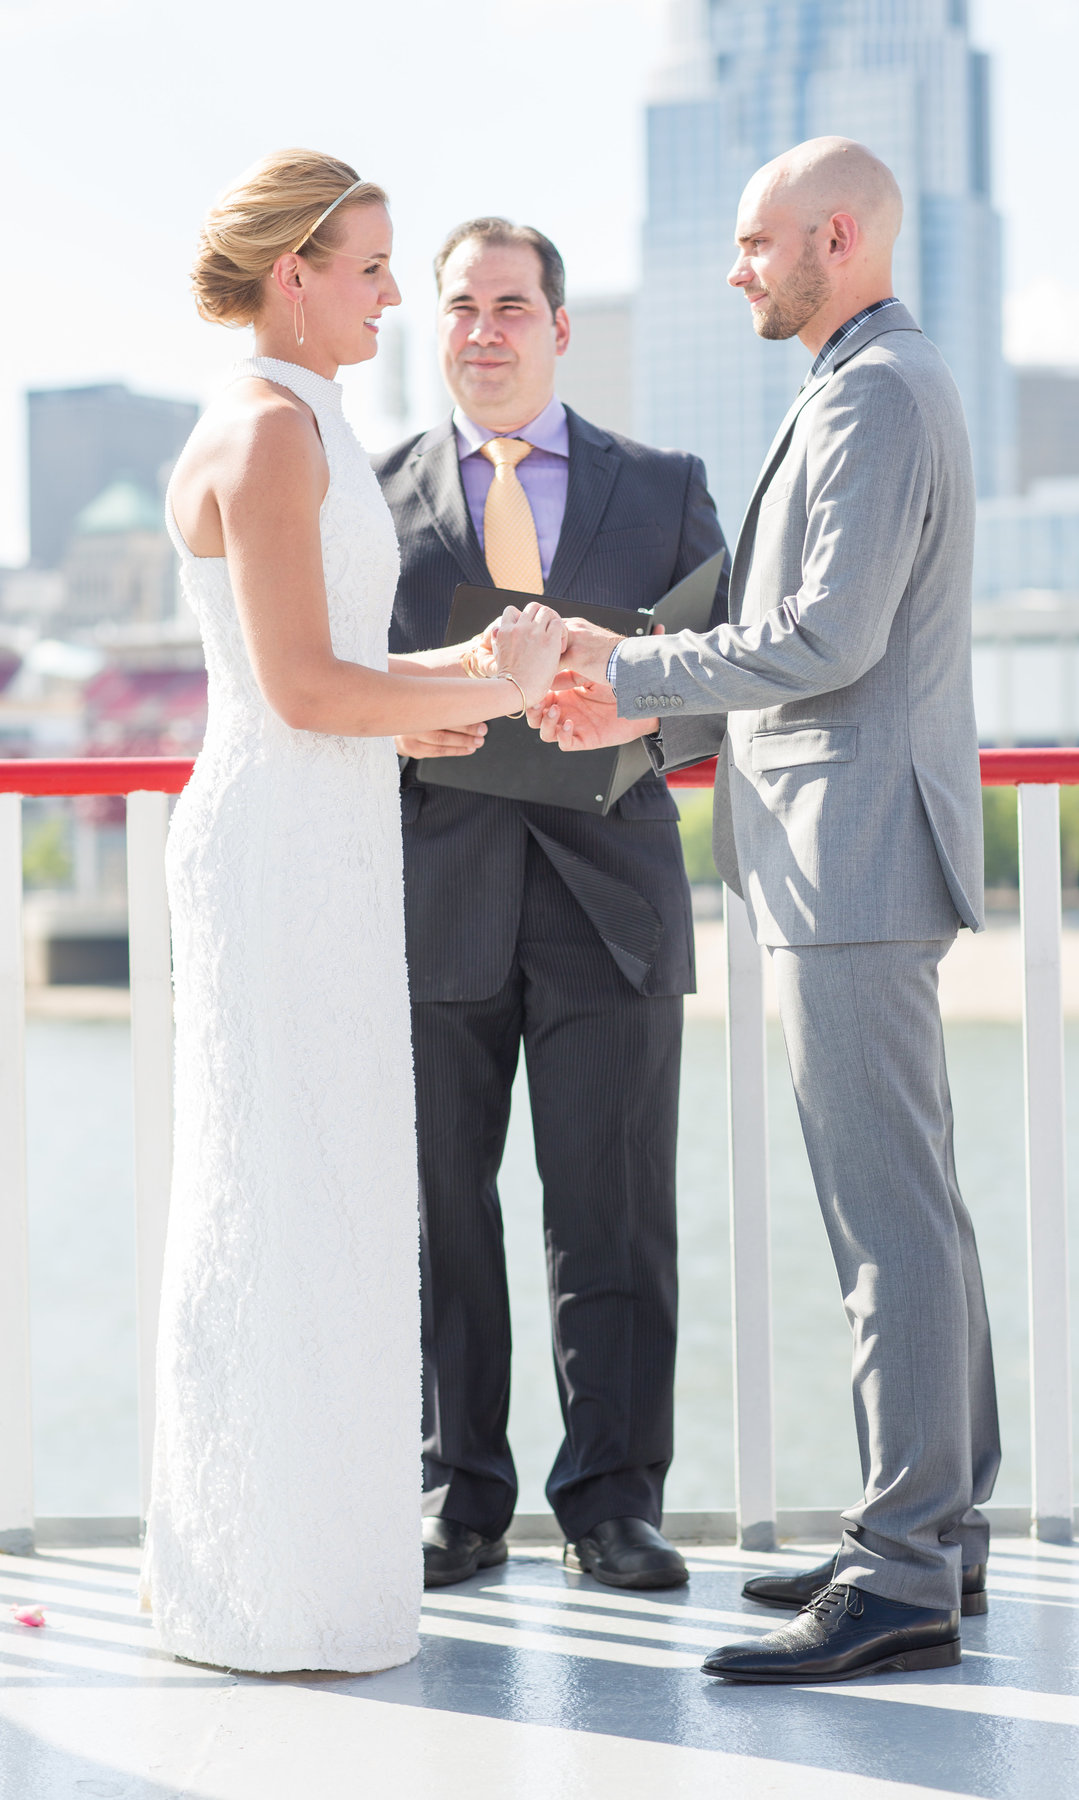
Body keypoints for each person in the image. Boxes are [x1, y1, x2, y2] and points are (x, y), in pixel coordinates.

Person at [532, 137, 1001, 1682]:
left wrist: (630, 674)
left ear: (840, 236)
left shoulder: (872, 391)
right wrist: (650, 713)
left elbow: (823, 638)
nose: (738, 267)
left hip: (852, 858)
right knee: (912, 1212)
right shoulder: (870, 376)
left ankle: (905, 1569)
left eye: (756, 244)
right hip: (844, 851)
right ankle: (937, 1527)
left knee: (887, 1230)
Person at [141, 150, 562, 1675]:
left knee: (338, 1188)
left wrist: (448, 696)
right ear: (293, 274)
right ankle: (262, 1585)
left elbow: (331, 682)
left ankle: (314, 1563)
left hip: (329, 833)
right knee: (284, 1188)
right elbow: (302, 687)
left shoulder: (308, 419)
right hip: (275, 848)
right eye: (375, 269)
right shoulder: (264, 431)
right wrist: (482, 685)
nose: (398, 299)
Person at [374, 217, 728, 1592]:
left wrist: (629, 712)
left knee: (613, 1213)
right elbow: (342, 680)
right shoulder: (373, 489)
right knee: (435, 1210)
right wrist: (410, 727)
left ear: (561, 328)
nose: (484, 331)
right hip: (435, 890)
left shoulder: (666, 484)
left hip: (613, 898)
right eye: (460, 306)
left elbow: (715, 695)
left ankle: (615, 1504)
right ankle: (458, 1494)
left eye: (512, 305)